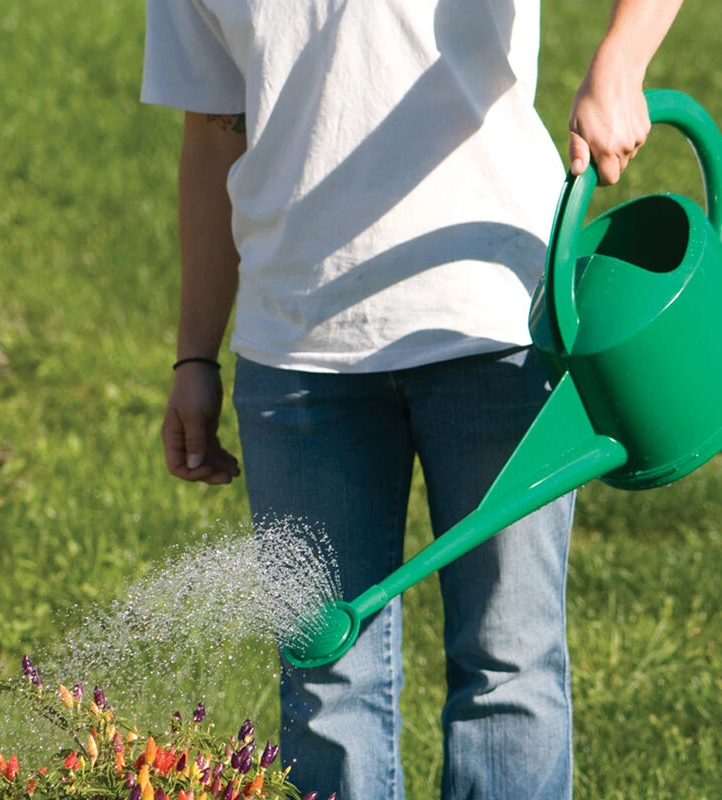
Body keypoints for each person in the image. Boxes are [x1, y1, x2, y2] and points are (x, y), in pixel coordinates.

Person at [141, 1, 683, 797]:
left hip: (491, 323)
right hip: (294, 354)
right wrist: (195, 353)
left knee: (508, 668)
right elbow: (216, 132)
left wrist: (621, 62)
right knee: (326, 679)